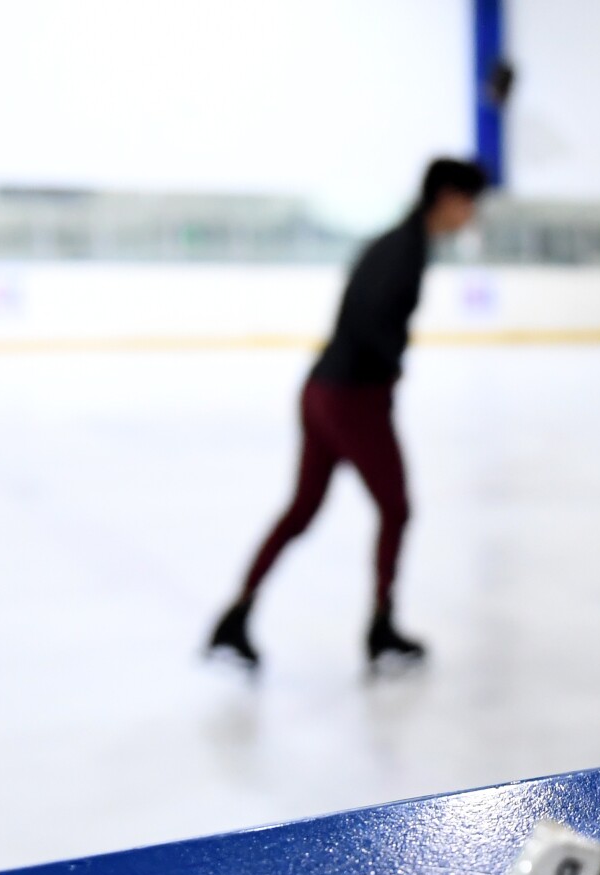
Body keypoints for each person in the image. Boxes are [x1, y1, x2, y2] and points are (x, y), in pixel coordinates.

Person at [207, 157, 488, 671]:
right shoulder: (406, 251)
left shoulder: (394, 241)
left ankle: (237, 613)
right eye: (471, 203)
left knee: (303, 510)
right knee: (396, 508)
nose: (473, 215)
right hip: (351, 396)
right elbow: (368, 320)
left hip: (321, 389)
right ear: (448, 197)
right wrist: (391, 367)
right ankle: (380, 628)